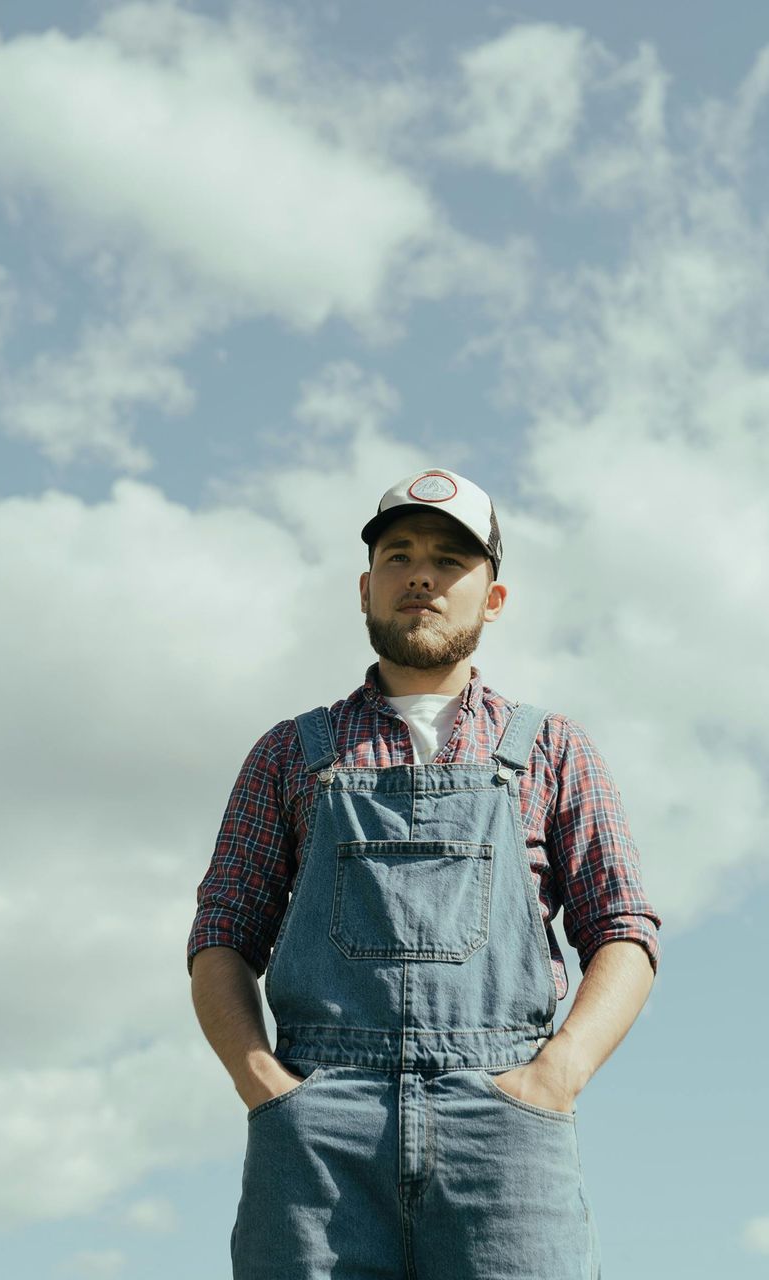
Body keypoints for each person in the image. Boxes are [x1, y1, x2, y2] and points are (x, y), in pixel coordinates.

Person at [187, 466, 661, 1279]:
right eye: (399, 555)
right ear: (366, 587)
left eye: (449, 559)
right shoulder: (290, 752)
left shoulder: (552, 749)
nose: (422, 575)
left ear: (494, 596)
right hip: (320, 1132)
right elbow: (222, 935)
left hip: (505, 1122)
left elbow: (623, 931)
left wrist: (555, 1078)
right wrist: (264, 1085)